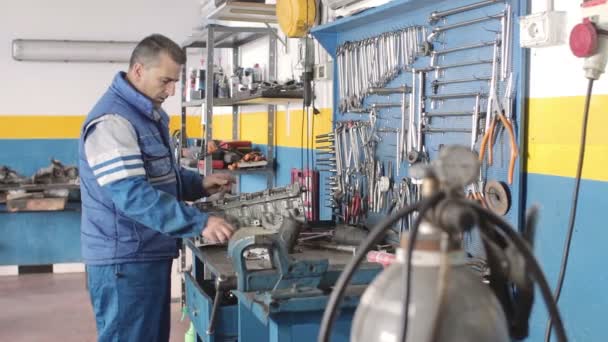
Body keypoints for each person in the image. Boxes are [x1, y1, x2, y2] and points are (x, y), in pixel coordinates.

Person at [78, 33, 235, 342]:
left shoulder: (147, 115)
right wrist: (199, 222)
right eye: (165, 81)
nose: (172, 90)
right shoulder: (113, 121)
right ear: (138, 70)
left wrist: (200, 184)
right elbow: (132, 195)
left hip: (145, 252)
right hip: (124, 260)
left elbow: (160, 175)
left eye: (175, 82)